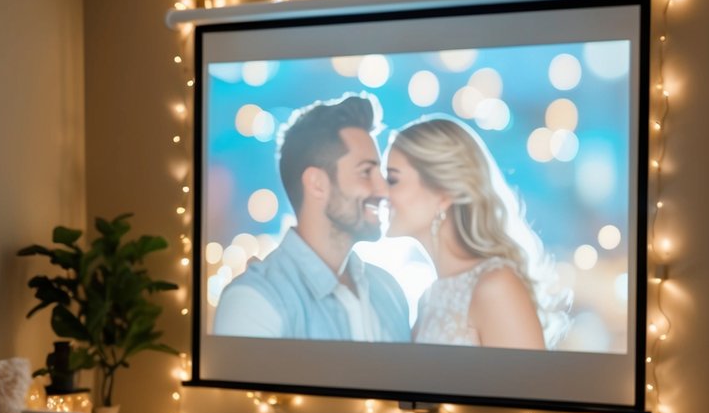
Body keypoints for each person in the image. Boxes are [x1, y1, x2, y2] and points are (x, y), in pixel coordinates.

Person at [213, 93, 410, 341]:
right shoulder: (255, 301)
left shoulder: (389, 291)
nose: (383, 190)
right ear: (317, 184)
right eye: (366, 172)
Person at [386, 114, 568, 349]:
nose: (380, 192)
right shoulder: (428, 298)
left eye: (392, 180)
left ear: (443, 193)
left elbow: (533, 386)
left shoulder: (496, 287)